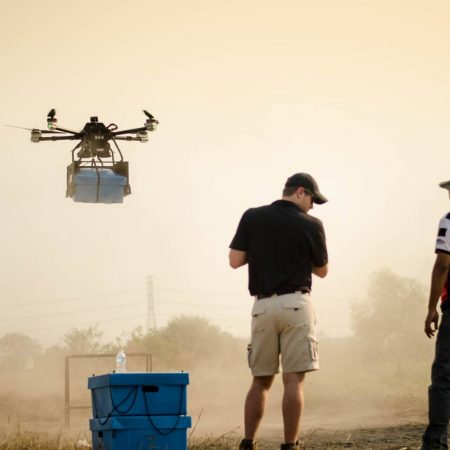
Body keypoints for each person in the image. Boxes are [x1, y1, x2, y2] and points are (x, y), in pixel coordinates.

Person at [229, 173, 329, 450]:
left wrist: (263, 253)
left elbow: (235, 260)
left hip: (262, 306)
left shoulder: (252, 216)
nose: (313, 206)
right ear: (300, 192)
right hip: (295, 304)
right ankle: (290, 445)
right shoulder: (312, 224)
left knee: (260, 381)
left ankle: (248, 443)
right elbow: (322, 271)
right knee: (293, 380)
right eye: (312, 199)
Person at [422, 179, 450, 450]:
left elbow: (443, 264)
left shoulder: (449, 220)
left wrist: (432, 307)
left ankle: (436, 441)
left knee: (444, 373)